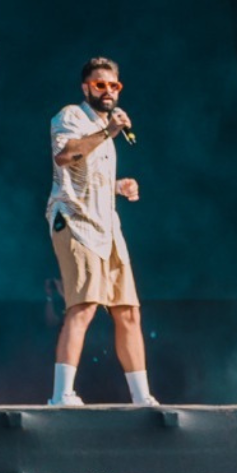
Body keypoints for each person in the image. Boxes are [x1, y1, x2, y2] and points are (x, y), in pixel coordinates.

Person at [45, 56, 154, 406]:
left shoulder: (108, 130)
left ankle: (142, 398)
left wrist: (120, 186)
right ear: (86, 87)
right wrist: (109, 131)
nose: (108, 91)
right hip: (75, 221)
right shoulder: (71, 117)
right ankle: (61, 395)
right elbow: (65, 156)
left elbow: (91, 178)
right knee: (85, 304)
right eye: (100, 84)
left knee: (128, 310)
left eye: (113, 85)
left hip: (108, 224)